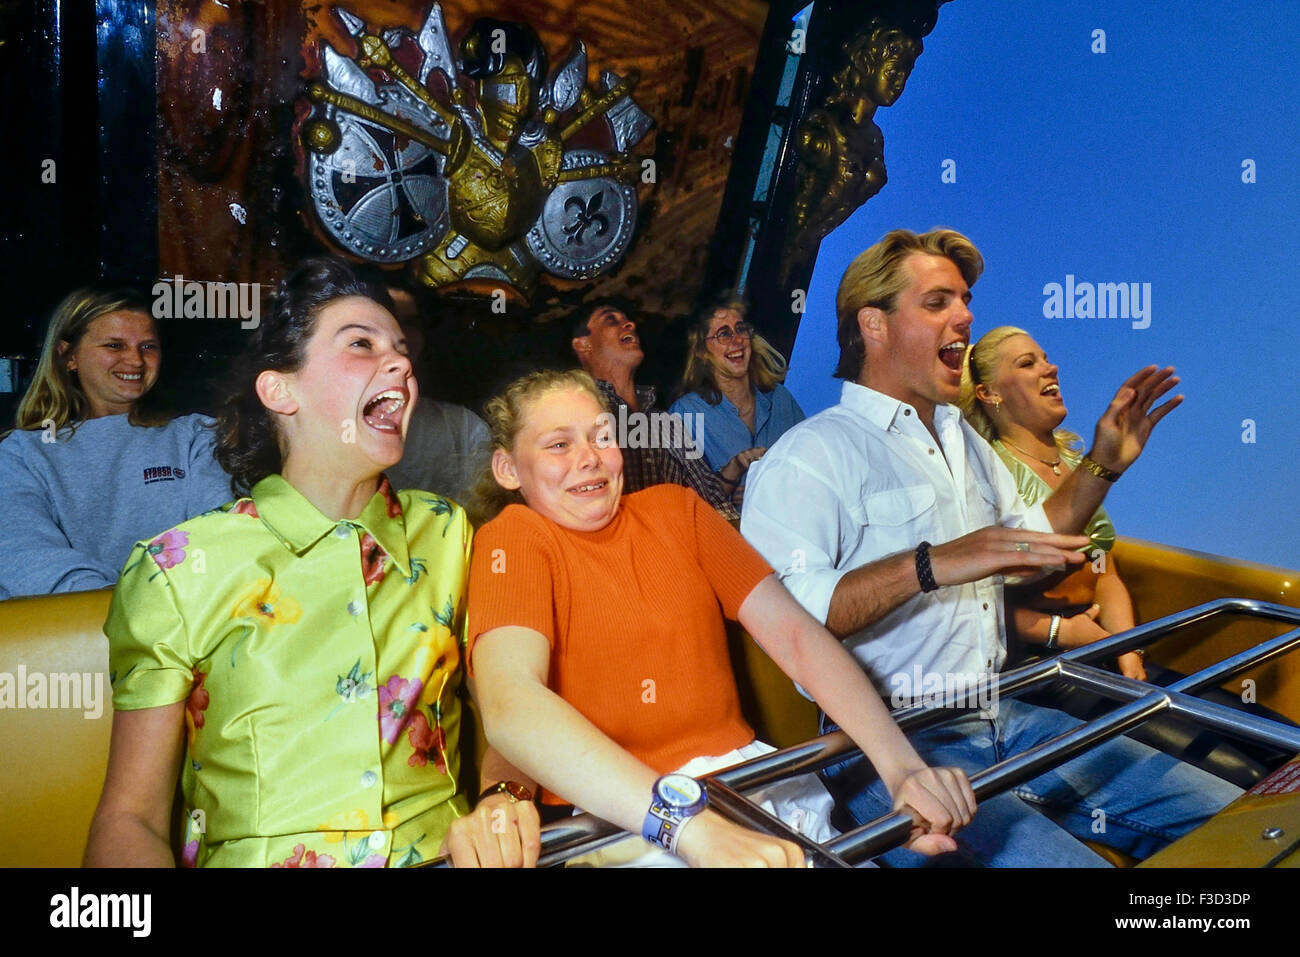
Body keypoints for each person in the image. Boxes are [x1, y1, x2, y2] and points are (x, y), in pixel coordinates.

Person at [741, 227, 1241, 867]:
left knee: (1248, 818)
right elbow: (793, 619)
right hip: (889, 746)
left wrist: (1104, 464)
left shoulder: (962, 439)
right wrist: (933, 564)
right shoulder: (808, 457)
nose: (965, 317)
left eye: (966, 301)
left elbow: (1033, 537)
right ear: (874, 325)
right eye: (937, 302)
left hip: (1009, 710)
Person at [84, 259, 538, 868]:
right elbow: (129, 819)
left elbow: (511, 714)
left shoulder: (449, 533)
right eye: (361, 345)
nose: (401, 364)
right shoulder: (177, 568)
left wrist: (502, 799)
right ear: (281, 390)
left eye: (402, 350)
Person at [466, 369, 975, 867]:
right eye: (559, 445)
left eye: (602, 436)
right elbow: (512, 703)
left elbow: (797, 635)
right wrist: (688, 827)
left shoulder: (678, 509)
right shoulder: (514, 538)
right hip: (621, 817)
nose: (589, 459)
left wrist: (903, 769)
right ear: (508, 469)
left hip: (753, 784)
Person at [0, 287, 230, 599]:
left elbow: (221, 537)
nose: (135, 360)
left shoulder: (196, 435)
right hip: (76, 631)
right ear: (68, 356)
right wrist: (128, 614)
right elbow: (25, 557)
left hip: (189, 626)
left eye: (147, 346)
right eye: (115, 345)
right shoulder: (21, 454)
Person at [959, 326, 1145, 680]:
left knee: (1243, 720)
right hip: (1032, 664)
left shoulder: (1078, 468)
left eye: (1046, 358)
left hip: (1097, 646)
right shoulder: (984, 473)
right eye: (1028, 363)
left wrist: (1129, 652)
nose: (1051, 368)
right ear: (989, 392)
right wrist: (1061, 631)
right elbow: (972, 598)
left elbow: (1104, 572)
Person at [571, 299, 739, 521]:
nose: (630, 324)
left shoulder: (666, 422)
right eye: (611, 320)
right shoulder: (579, 415)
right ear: (583, 345)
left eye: (628, 320)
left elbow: (716, 506)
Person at [668, 296, 804, 505]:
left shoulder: (780, 398)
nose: (737, 340)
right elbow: (682, 505)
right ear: (702, 351)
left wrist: (764, 491)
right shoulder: (686, 413)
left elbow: (808, 468)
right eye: (723, 334)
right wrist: (727, 491)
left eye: (741, 329)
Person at [380, 285, 491, 504]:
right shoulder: (311, 425)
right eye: (388, 319)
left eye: (410, 324)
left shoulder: (464, 428)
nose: (401, 336)